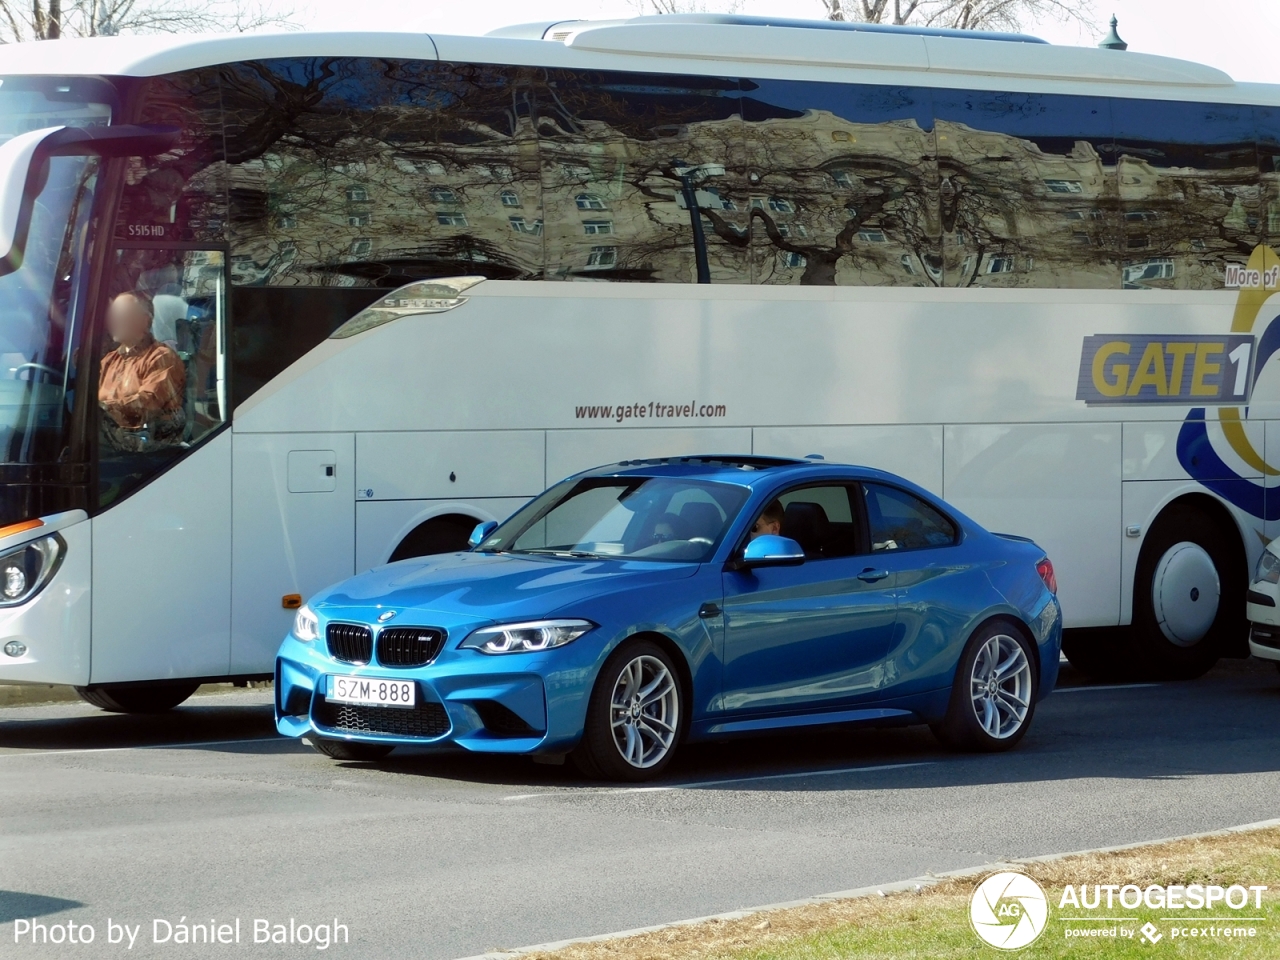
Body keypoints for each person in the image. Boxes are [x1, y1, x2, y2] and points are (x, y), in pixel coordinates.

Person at [98, 291, 186, 452]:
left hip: (148, 454)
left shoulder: (162, 358)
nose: (114, 320)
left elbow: (147, 404)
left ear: (145, 321)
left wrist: (103, 408)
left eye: (122, 315)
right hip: (109, 446)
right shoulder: (109, 361)